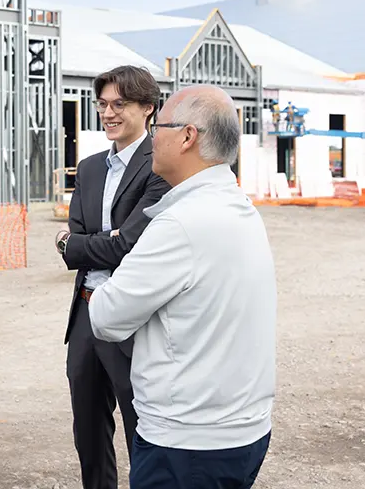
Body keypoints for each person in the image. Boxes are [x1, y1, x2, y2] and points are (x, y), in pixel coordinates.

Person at [88, 85, 276, 489]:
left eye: (159, 127)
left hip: (187, 443)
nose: (152, 138)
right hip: (242, 429)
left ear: (188, 136)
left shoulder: (179, 223)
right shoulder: (239, 208)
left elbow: (105, 316)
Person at [53, 65, 171, 489]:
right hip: (86, 312)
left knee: (142, 425)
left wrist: (82, 244)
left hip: (133, 315)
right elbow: (83, 240)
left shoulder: (160, 166)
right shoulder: (88, 169)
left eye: (119, 104)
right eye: (102, 104)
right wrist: (102, 241)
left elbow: (129, 245)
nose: (108, 113)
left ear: (148, 108)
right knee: (88, 428)